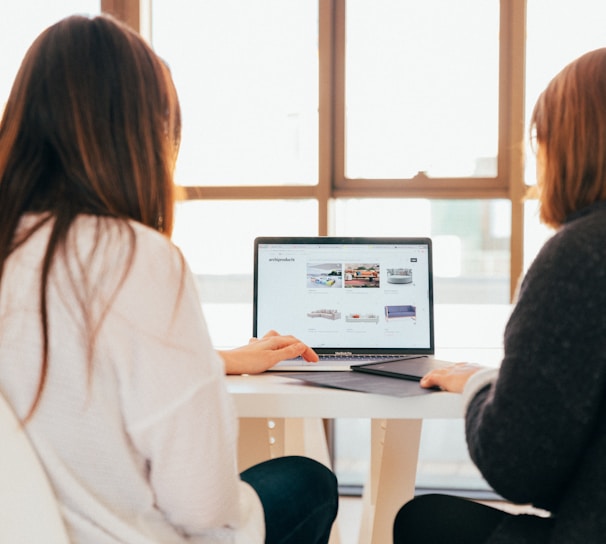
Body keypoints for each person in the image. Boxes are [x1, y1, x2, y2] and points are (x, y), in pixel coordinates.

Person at [0, 14, 337, 544]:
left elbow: (66, 366)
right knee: (309, 481)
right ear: (140, 136)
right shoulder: (135, 258)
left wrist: (216, 359)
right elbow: (202, 506)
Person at [393, 47, 606, 544]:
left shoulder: (581, 255)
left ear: (567, 145)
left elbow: (518, 467)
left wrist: (480, 385)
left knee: (421, 522)